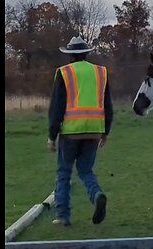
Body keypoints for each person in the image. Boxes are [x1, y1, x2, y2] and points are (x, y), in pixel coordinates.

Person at [47, 36, 113, 226]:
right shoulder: (101, 72)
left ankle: (63, 216)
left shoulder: (64, 73)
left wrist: (52, 136)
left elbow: (57, 106)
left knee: (64, 173)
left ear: (70, 55)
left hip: (70, 131)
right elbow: (107, 104)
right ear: (86, 53)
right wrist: (105, 132)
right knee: (85, 170)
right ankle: (97, 194)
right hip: (94, 131)